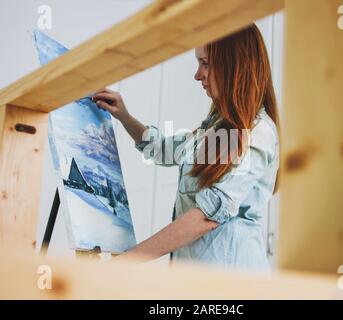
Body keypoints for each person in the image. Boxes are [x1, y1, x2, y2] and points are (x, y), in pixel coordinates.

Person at [92, 23, 279, 271]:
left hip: (232, 286)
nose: (197, 74)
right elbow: (162, 148)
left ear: (235, 64)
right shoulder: (213, 129)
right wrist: (125, 116)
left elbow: (205, 217)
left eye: (205, 63)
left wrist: (125, 261)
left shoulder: (258, 132)